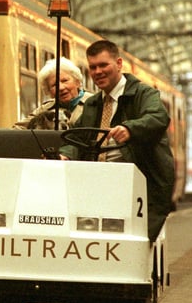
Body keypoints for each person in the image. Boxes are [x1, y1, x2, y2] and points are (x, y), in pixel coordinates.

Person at [60, 40, 175, 241]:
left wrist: (130, 129)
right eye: (93, 67)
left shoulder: (143, 94)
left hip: (134, 186)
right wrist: (65, 155)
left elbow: (158, 117)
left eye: (104, 65)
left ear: (119, 64)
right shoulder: (93, 104)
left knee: (133, 243)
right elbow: (78, 138)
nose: (98, 72)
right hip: (97, 186)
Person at [13, 57, 92, 130]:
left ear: (77, 82)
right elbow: (17, 130)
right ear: (48, 91)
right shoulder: (45, 109)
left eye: (65, 81)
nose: (61, 88)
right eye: (54, 85)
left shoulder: (95, 102)